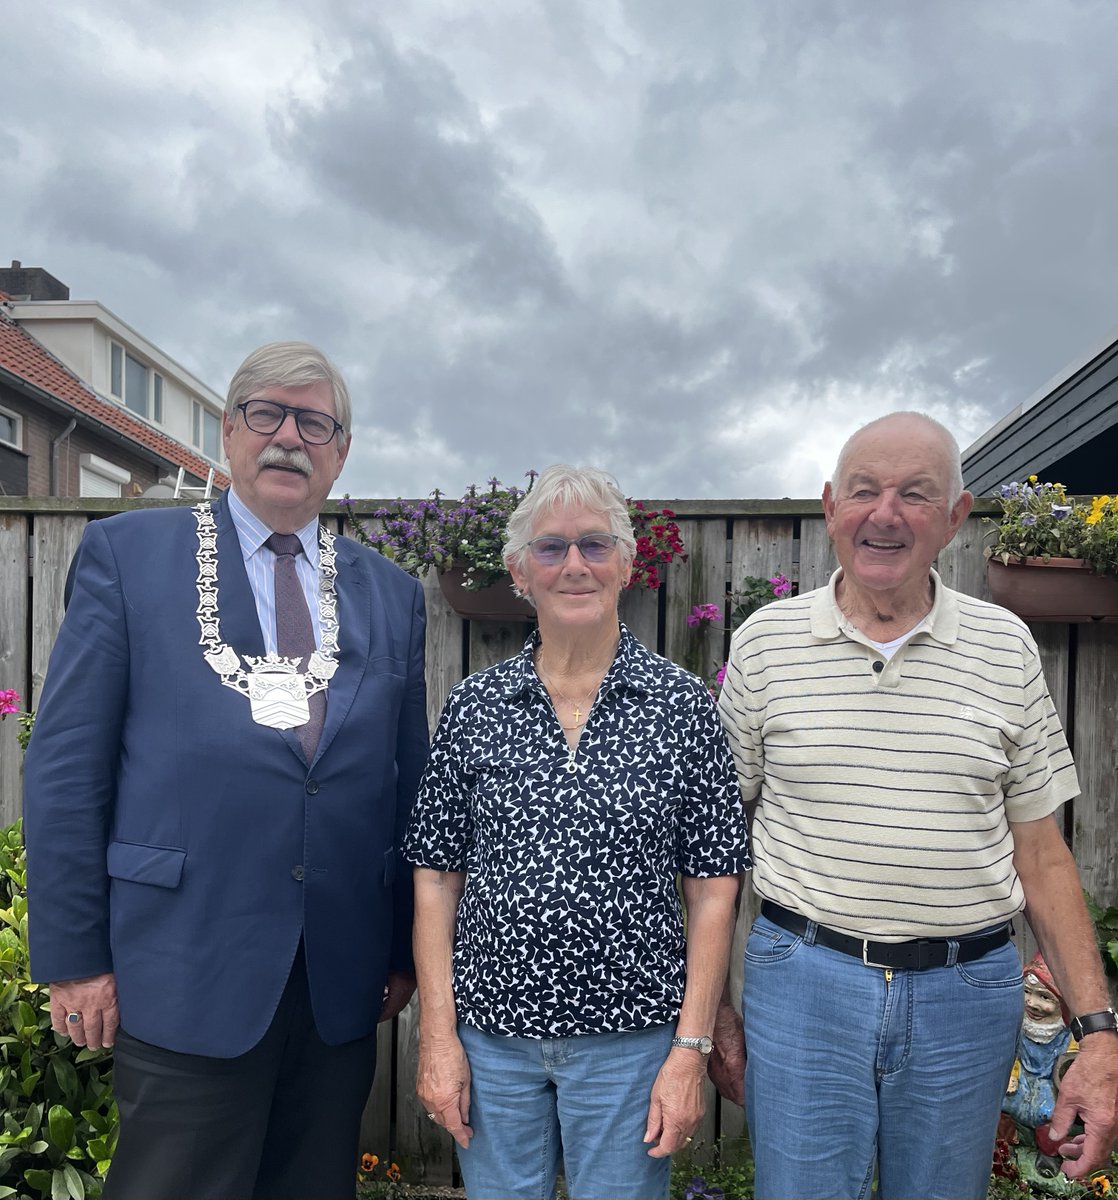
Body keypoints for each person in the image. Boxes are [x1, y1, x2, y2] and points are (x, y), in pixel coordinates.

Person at [23, 341, 429, 1200]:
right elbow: (67, 768)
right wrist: (76, 958)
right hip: (183, 966)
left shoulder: (388, 593)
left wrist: (401, 951)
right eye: (267, 414)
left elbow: (407, 781)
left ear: (341, 450)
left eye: (314, 422)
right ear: (228, 430)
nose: (289, 437)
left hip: (337, 983)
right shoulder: (132, 558)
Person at [715, 412, 1118, 1200]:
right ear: (831, 508)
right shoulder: (766, 643)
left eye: (915, 494)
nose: (885, 513)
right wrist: (715, 1013)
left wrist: (1099, 1033)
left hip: (965, 997)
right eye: (864, 491)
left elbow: (1042, 852)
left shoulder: (1005, 648)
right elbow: (719, 847)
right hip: (800, 982)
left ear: (956, 518)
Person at [405, 464, 749, 1200]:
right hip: (493, 1040)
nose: (574, 566)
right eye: (551, 547)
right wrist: (437, 1035)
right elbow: (435, 877)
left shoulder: (682, 706)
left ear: (627, 563)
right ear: (518, 571)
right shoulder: (475, 707)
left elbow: (714, 890)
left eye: (595, 545)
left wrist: (689, 1051)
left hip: (631, 1044)